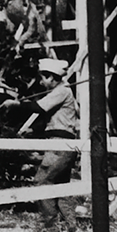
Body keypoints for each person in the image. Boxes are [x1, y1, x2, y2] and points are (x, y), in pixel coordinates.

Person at [23, 56, 81, 220]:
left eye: (43, 78)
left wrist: (15, 105)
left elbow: (38, 107)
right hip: (64, 144)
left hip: (59, 144)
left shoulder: (61, 91)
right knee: (61, 187)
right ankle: (70, 224)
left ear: (51, 77)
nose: (41, 83)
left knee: (41, 181)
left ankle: (50, 221)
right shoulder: (62, 91)